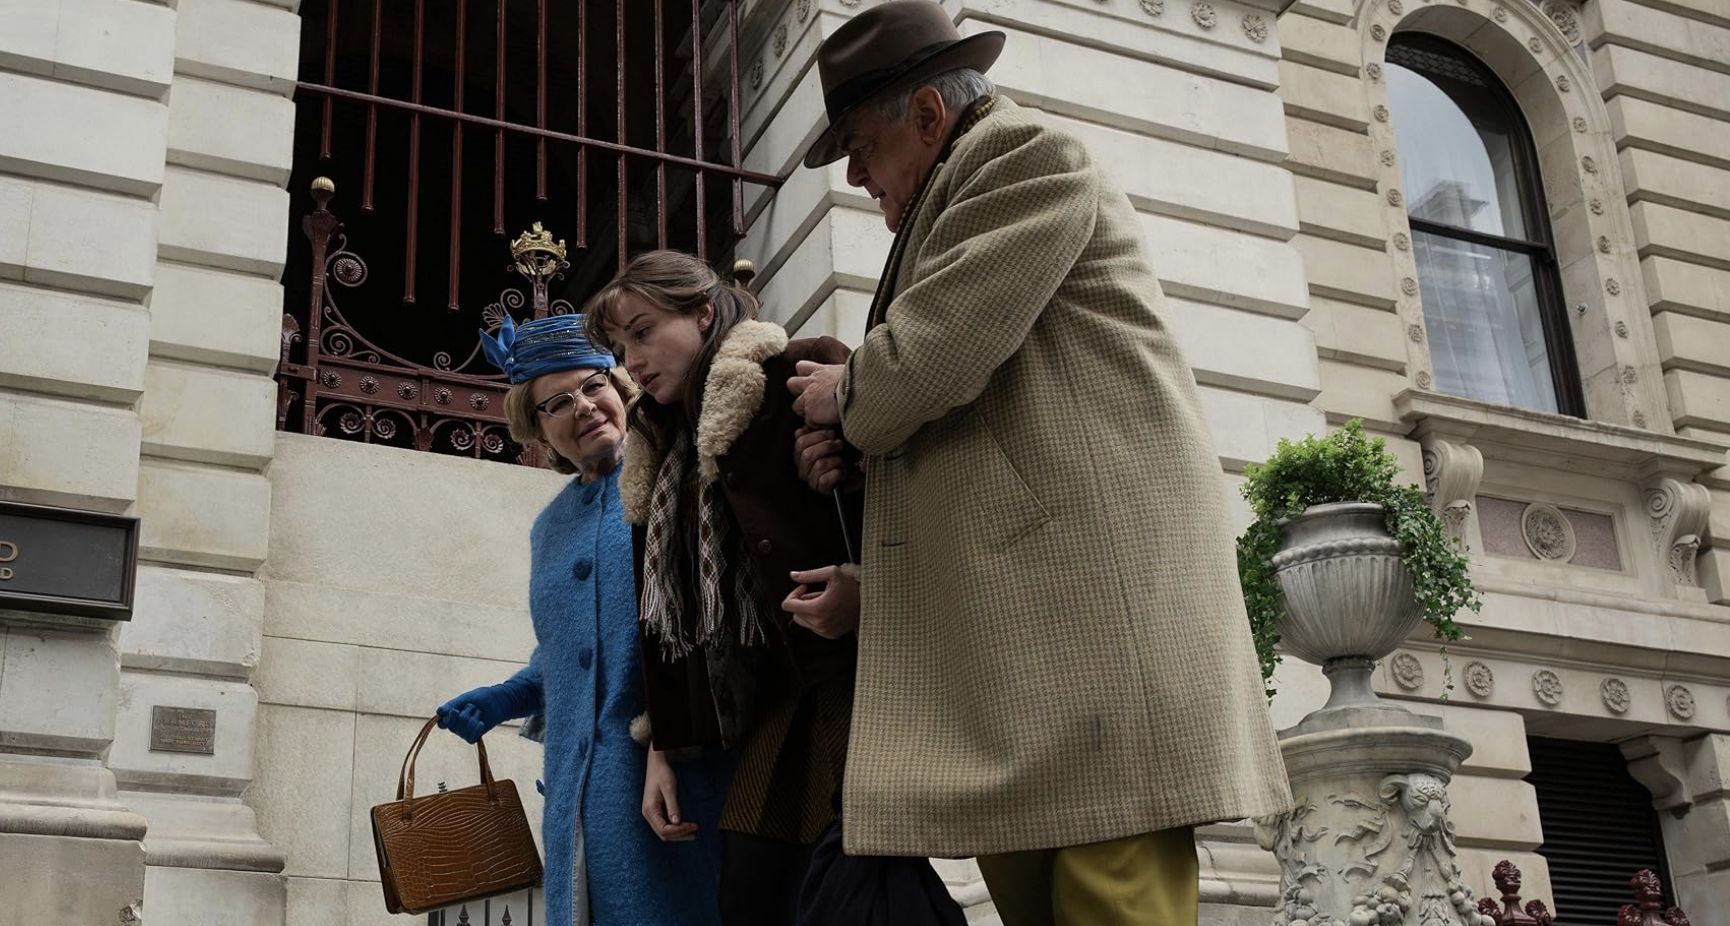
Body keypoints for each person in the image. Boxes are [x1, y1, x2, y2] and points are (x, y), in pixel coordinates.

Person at [784, 2, 1295, 923]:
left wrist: (844, 397)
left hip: (1095, 633)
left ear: (929, 117)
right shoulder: (961, 191)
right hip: (1032, 650)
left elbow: (926, 364)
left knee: (1113, 901)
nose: (855, 174)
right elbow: (975, 423)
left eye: (860, 144)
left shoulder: (1027, 157)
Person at [584, 250, 963, 926]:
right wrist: (662, 750)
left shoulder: (796, 373)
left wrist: (860, 563)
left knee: (867, 889)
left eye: (643, 332)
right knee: (754, 889)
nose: (631, 358)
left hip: (860, 680)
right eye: (619, 345)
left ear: (702, 313)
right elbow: (670, 620)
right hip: (775, 702)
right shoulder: (658, 447)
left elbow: (925, 490)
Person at [434, 313, 730, 926]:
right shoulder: (550, 528)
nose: (585, 408)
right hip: (576, 798)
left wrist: (672, 746)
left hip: (676, 783)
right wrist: (502, 697)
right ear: (538, 428)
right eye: (557, 402)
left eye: (593, 386)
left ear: (619, 387)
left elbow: (705, 625)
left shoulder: (678, 475)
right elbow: (563, 658)